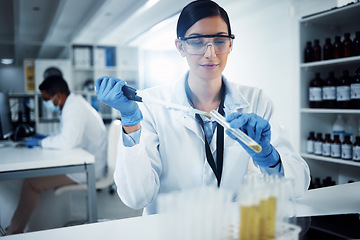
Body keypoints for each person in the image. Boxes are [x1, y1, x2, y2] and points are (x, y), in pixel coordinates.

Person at [96, 0, 310, 215]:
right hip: (169, 228)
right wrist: (131, 120)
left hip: (228, 228)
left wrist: (267, 156)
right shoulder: (152, 104)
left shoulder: (256, 100)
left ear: (230, 44)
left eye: (219, 40)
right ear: (181, 46)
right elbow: (137, 197)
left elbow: (298, 185)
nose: (210, 53)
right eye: (197, 42)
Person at [6, 75, 107, 235]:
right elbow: (64, 134)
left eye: (47, 99)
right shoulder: (72, 104)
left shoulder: (73, 108)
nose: (47, 104)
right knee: (35, 179)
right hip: (84, 161)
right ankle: (18, 229)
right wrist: (45, 138)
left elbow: (67, 142)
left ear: (58, 96)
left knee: (31, 183)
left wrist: (40, 143)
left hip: (88, 169)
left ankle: (13, 232)